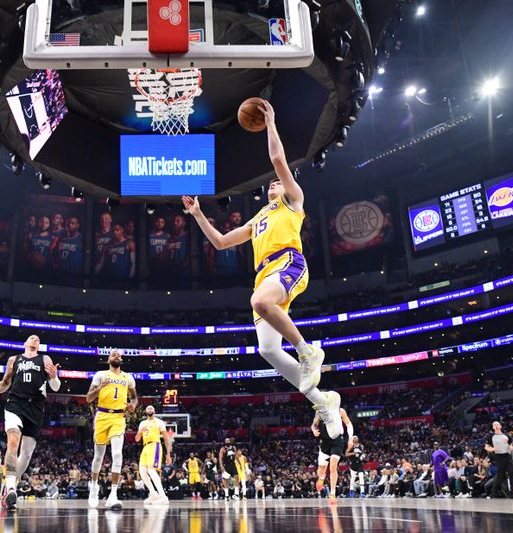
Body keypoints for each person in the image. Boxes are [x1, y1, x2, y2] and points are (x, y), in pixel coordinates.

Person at [182, 100, 341, 439]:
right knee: (267, 349)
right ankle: (322, 401)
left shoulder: (293, 201)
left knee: (258, 303)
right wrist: (198, 215)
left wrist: (270, 123)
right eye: (269, 185)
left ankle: (307, 350)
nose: (272, 184)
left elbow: (278, 160)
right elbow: (223, 242)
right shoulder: (258, 218)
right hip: (265, 274)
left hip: (288, 263)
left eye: (276, 183)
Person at [0, 334, 62, 510]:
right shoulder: (14, 359)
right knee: (13, 441)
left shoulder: (45, 358)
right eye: (31, 338)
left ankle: (8, 487)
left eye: (37, 339)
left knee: (27, 454)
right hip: (15, 403)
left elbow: (55, 387)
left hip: (36, 407)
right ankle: (12, 487)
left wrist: (54, 377)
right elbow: (6, 383)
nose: (35, 339)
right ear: (25, 343)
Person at [85, 350, 138, 510]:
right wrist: (100, 387)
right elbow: (88, 398)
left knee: (117, 454)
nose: (117, 357)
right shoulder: (100, 375)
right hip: (102, 416)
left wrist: (133, 406)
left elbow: (134, 398)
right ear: (108, 359)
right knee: (98, 457)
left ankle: (113, 495)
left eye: (119, 355)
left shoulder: (128, 377)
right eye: (113, 355)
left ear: (121, 359)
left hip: (118, 417)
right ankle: (93, 486)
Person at [312, 406, 354, 504]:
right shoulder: (319, 412)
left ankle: (332, 493)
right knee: (321, 470)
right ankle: (322, 478)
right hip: (325, 442)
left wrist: (350, 438)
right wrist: (314, 430)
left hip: (337, 441)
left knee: (333, 466)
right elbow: (314, 425)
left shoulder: (340, 411)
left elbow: (349, 424)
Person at [135, 405, 172, 505]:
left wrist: (168, 454)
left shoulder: (159, 422)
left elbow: (166, 439)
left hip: (155, 445)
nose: (150, 409)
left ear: (154, 411)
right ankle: (153, 494)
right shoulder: (142, 423)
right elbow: (137, 439)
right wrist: (140, 431)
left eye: (151, 408)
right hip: (145, 447)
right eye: (148, 408)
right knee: (142, 472)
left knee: (151, 470)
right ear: (145, 411)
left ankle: (163, 496)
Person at [485, 421, 512, 498]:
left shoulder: (506, 436)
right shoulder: (491, 437)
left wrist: (509, 448)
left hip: (506, 459)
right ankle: (495, 493)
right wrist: (493, 449)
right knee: (500, 477)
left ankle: (502, 492)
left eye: (497, 424)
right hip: (497, 462)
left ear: (500, 426)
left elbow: (510, 446)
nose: (496, 426)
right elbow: (487, 448)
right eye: (494, 425)